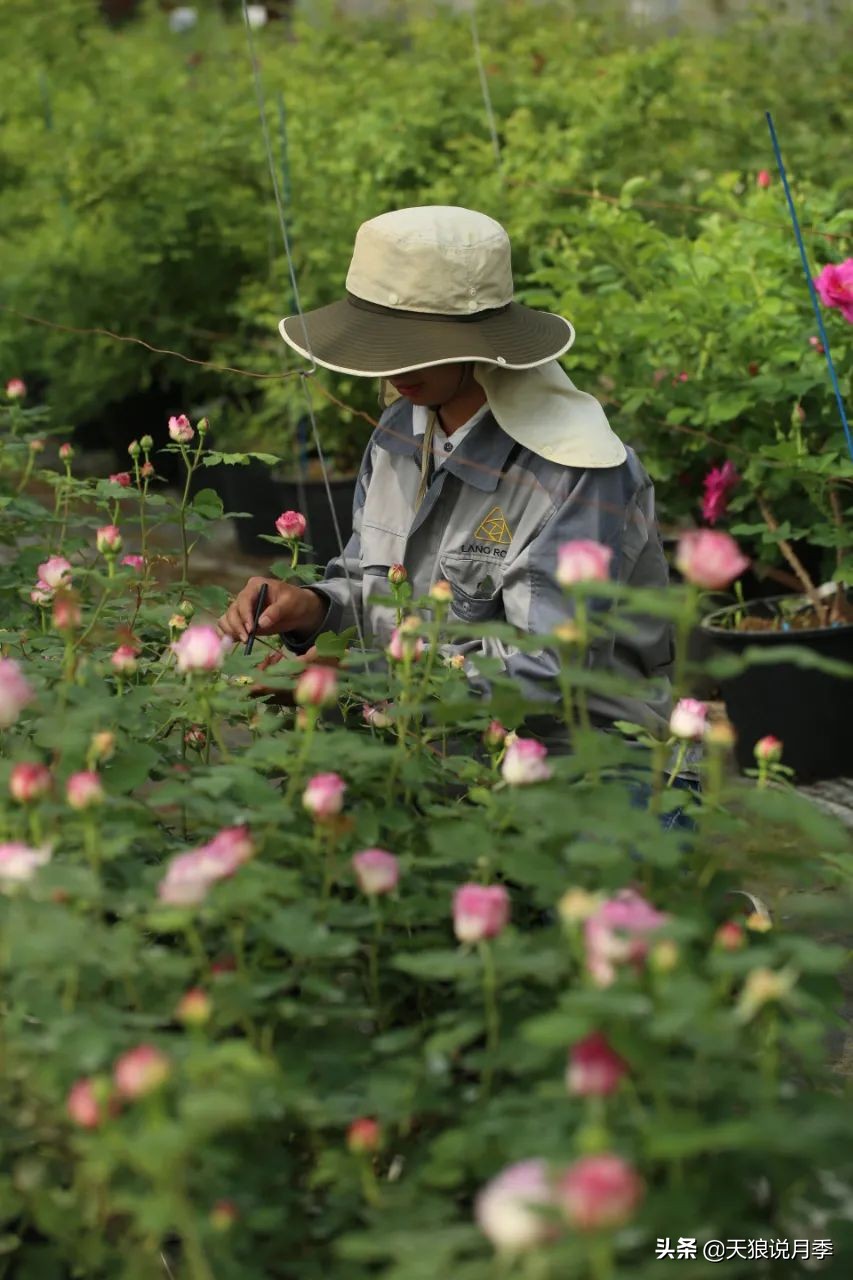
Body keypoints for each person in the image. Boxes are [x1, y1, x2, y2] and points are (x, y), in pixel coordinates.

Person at [218, 205, 674, 740]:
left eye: (417, 347)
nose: (395, 368)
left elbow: (551, 669)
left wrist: (366, 673)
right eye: (380, 344)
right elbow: (374, 593)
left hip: (585, 766)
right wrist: (311, 608)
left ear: (481, 341)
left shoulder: (575, 472)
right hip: (438, 747)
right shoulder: (398, 434)